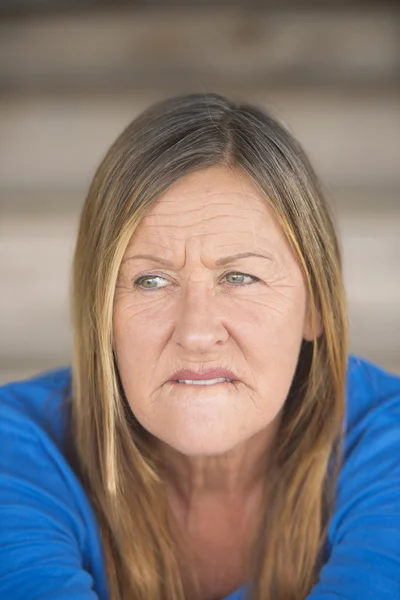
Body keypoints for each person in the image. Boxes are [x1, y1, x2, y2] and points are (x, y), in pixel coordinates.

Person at [0, 93, 399, 600]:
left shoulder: (388, 445)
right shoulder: (15, 449)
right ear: (100, 309)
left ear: (316, 304)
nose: (195, 332)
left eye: (239, 276)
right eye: (151, 281)